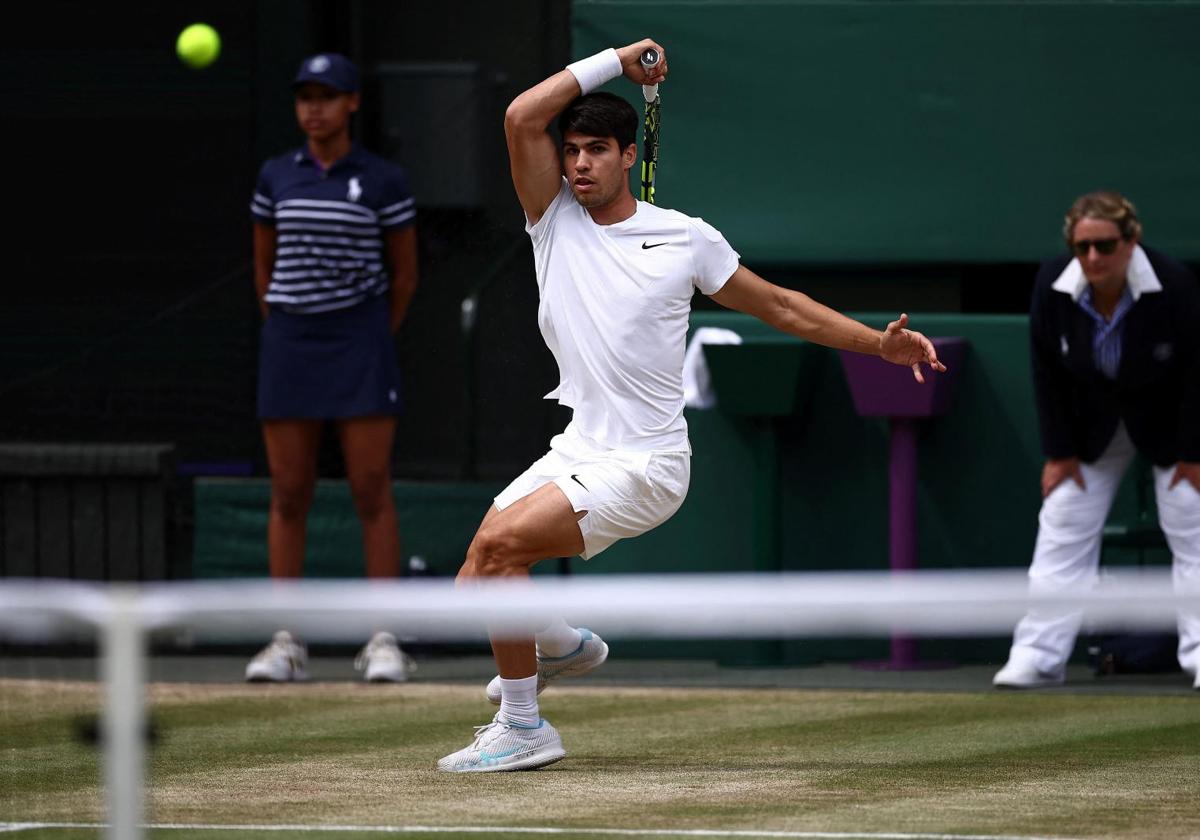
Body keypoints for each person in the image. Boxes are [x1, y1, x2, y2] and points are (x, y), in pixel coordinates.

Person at [436, 39, 946, 773]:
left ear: (627, 155)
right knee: (473, 584)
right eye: (572, 149)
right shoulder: (550, 219)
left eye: (597, 150)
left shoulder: (685, 238)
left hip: (648, 464)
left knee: (497, 550)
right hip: (581, 446)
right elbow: (521, 116)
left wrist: (878, 344)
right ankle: (566, 646)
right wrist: (617, 58)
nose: (579, 163)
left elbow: (781, 306)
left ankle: (525, 726)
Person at [245, 53, 419, 683]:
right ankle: (285, 641)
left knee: (371, 489)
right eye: (304, 97)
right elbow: (264, 269)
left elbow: (405, 276)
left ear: (351, 104)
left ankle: (383, 639)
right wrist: (292, 322)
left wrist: (367, 334)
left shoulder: (382, 180)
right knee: (289, 493)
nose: (313, 108)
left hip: (360, 343)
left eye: (327, 95)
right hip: (291, 343)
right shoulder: (274, 176)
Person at [993, 191, 1200, 689]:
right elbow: (1046, 372)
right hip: (1090, 428)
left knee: (1192, 519)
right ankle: (1038, 657)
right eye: (1081, 247)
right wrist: (1059, 452)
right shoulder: (1052, 284)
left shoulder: (1173, 283)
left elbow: (1198, 373)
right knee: (1062, 519)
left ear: (1131, 242)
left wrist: (1194, 455)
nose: (1092, 258)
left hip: (1169, 425)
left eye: (1104, 246)